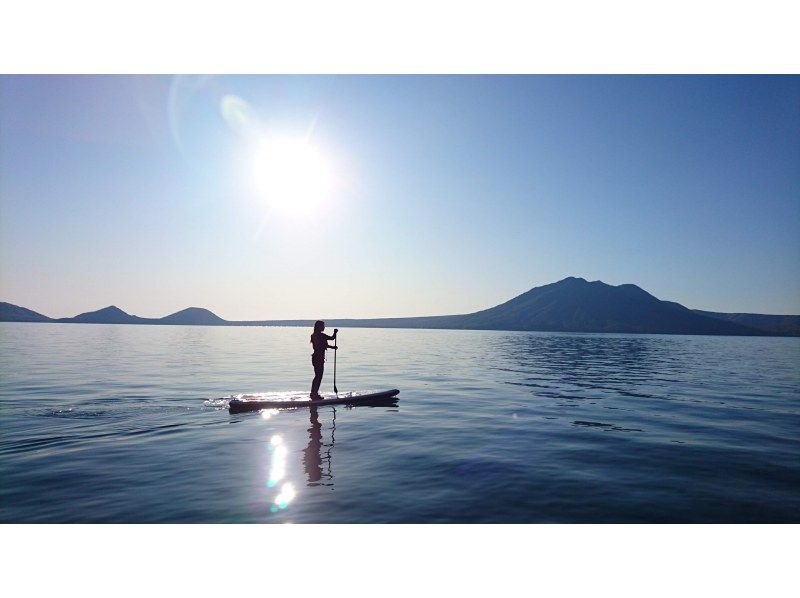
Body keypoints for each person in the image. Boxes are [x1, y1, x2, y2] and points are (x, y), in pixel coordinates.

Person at [310, 320, 337, 399]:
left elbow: (323, 345)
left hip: (315, 358)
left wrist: (333, 347)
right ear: (319, 327)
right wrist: (335, 332)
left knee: (317, 376)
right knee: (319, 376)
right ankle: (314, 394)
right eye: (323, 326)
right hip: (319, 358)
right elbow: (332, 338)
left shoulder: (314, 335)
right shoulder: (321, 336)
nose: (324, 327)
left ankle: (313, 393)